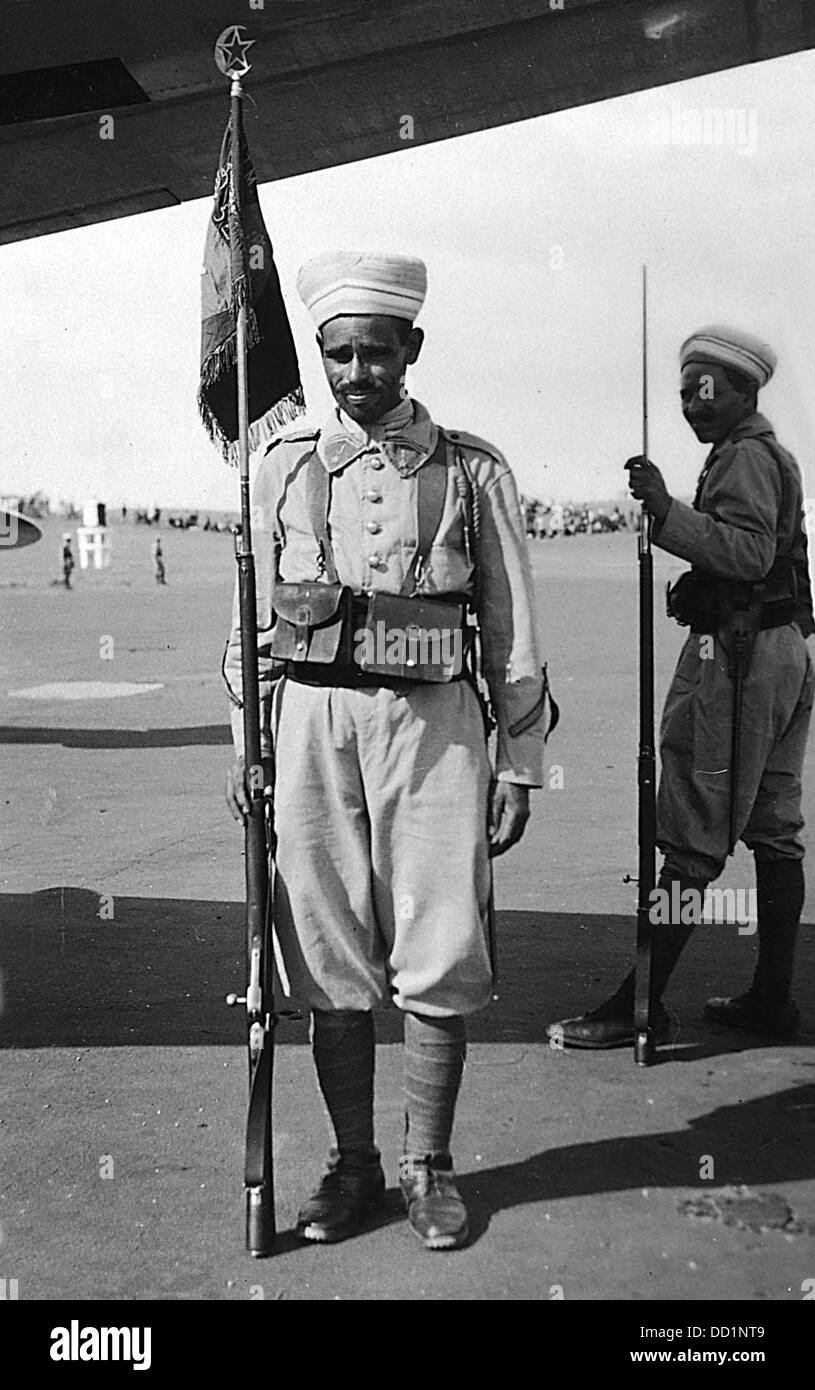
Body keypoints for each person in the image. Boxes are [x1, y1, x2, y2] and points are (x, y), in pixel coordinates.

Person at [224, 250, 549, 1249]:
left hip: (435, 731)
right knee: (324, 951)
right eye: (338, 355)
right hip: (313, 730)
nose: (356, 372)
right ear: (319, 355)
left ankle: (427, 1166)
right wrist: (249, 747)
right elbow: (250, 632)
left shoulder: (471, 467)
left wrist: (519, 759)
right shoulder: (276, 465)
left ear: (411, 347)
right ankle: (353, 1163)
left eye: (376, 352)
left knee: (439, 942)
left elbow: (511, 627)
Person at [547, 324, 814, 1051]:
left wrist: (665, 511)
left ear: (744, 393)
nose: (693, 405)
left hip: (741, 658)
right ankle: (768, 998)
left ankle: (639, 1004)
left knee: (694, 831)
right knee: (772, 828)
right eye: (684, 394)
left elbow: (751, 551)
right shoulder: (758, 453)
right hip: (777, 650)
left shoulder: (746, 459)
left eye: (707, 391)